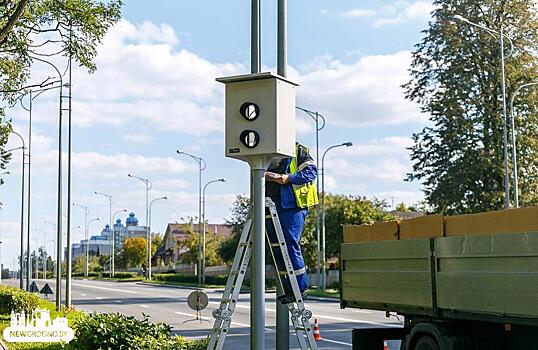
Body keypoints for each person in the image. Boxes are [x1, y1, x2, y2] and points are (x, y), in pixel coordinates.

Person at [265, 142, 318, 304]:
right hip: (271, 204)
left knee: (289, 244)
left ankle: (299, 289)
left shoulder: (298, 150)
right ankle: (289, 288)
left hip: (292, 205)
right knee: (276, 249)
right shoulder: (265, 148)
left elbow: (311, 172)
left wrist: (288, 178)